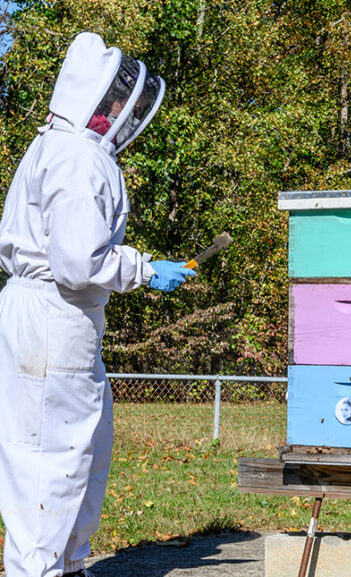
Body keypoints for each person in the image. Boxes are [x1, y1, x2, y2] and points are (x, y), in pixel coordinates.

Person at [0, 33, 195, 577]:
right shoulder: (78, 158)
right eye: (111, 102)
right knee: (50, 458)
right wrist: (146, 269)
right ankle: (39, 571)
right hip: (53, 317)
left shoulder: (50, 147)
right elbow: (79, 263)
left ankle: (66, 564)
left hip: (54, 317)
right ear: (90, 96)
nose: (118, 113)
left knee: (82, 448)